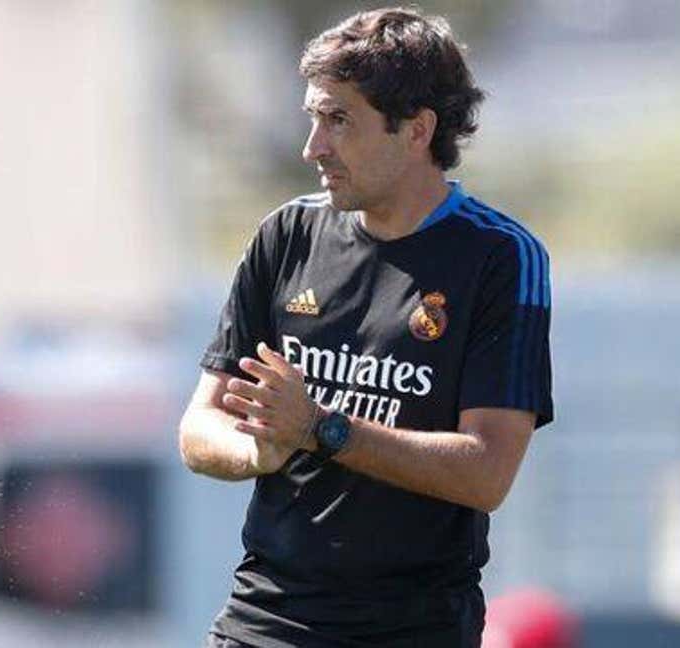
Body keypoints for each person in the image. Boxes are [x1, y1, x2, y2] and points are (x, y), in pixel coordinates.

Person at [179, 7, 553, 647]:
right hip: (265, 619)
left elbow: (486, 474)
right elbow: (198, 428)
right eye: (314, 119)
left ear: (416, 130)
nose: (313, 147)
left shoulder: (499, 257)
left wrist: (322, 429)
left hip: (412, 630)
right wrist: (256, 451)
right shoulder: (286, 235)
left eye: (340, 120)